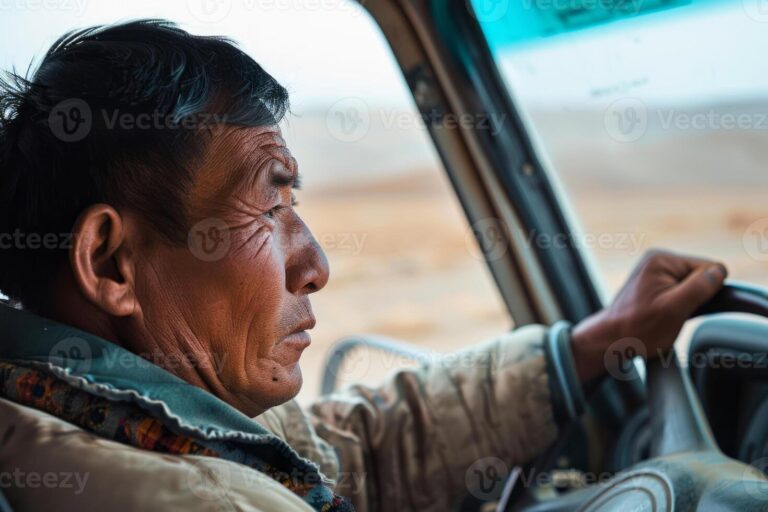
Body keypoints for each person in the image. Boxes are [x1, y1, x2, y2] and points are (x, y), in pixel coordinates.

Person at [0, 20, 727, 512]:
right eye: (267, 204)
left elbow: (353, 452)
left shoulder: (141, 425)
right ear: (111, 264)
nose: (315, 264)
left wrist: (588, 347)